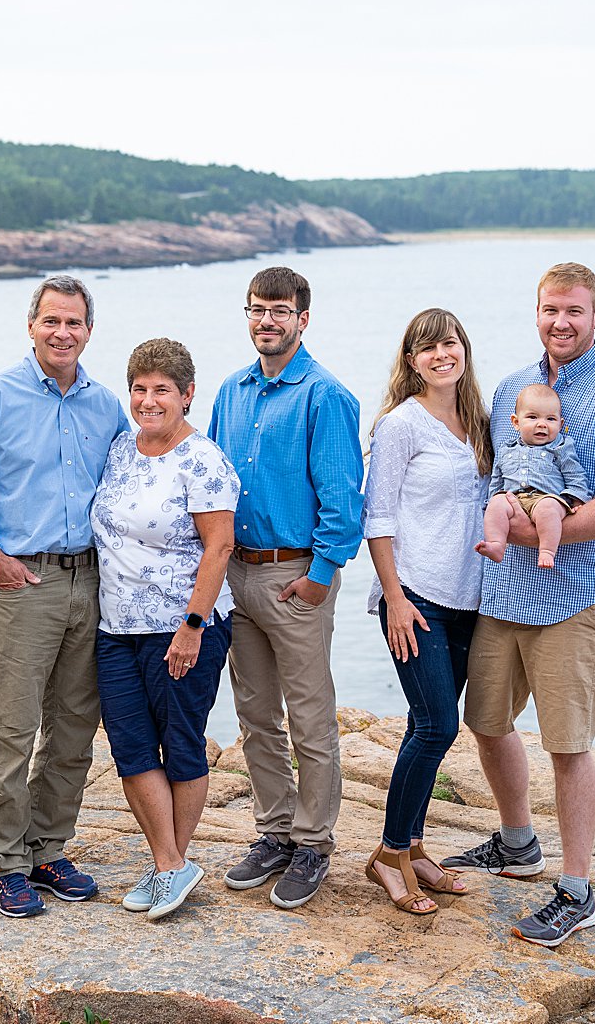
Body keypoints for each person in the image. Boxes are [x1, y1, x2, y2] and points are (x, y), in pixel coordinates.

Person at [444, 262, 595, 947]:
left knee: (567, 745)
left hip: (572, 598)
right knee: (486, 720)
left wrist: (536, 530)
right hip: (502, 593)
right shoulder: (511, 388)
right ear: (536, 313)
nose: (560, 322)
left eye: (574, 311)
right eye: (549, 309)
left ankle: (578, 888)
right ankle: (516, 841)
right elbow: (484, 472)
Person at [0, 275, 126, 918]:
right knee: (13, 726)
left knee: (74, 728)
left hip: (93, 581)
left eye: (74, 323)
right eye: (52, 320)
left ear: (89, 331)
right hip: (25, 583)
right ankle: (4, 859)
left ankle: (48, 848)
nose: (63, 333)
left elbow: (131, 485)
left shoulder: (107, 405)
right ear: (32, 325)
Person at [208, 265, 364, 909]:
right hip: (235, 573)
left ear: (303, 318)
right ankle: (272, 831)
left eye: (278, 310)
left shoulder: (326, 396)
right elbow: (209, 483)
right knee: (255, 716)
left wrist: (320, 578)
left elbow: (341, 500)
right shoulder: (230, 392)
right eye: (256, 309)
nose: (266, 320)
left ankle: (313, 843)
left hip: (293, 576)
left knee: (309, 716)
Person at [91, 338, 239, 921]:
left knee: (180, 745)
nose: (148, 400)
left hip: (183, 628)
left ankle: (168, 867)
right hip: (116, 626)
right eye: (140, 389)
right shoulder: (121, 450)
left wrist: (192, 626)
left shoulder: (202, 461)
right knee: (128, 745)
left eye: (162, 391)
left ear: (187, 396)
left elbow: (220, 545)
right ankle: (170, 865)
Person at [360, 308, 492, 914]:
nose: (443, 354)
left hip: (470, 598)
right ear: (411, 362)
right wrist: (394, 599)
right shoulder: (400, 426)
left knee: (428, 725)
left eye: (451, 343)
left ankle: (412, 847)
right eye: (428, 348)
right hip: (415, 596)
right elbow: (378, 517)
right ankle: (389, 855)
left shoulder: (481, 424)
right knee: (437, 723)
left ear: (463, 349)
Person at [477, 383, 588, 568]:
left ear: (560, 424)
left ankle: (547, 550)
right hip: (514, 499)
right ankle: (497, 544)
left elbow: (575, 475)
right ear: (516, 422)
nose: (542, 424)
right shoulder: (506, 450)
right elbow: (497, 480)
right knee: (496, 504)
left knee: (547, 509)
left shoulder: (560, 448)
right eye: (532, 417)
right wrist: (493, 501)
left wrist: (576, 500)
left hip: (547, 497)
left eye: (550, 419)